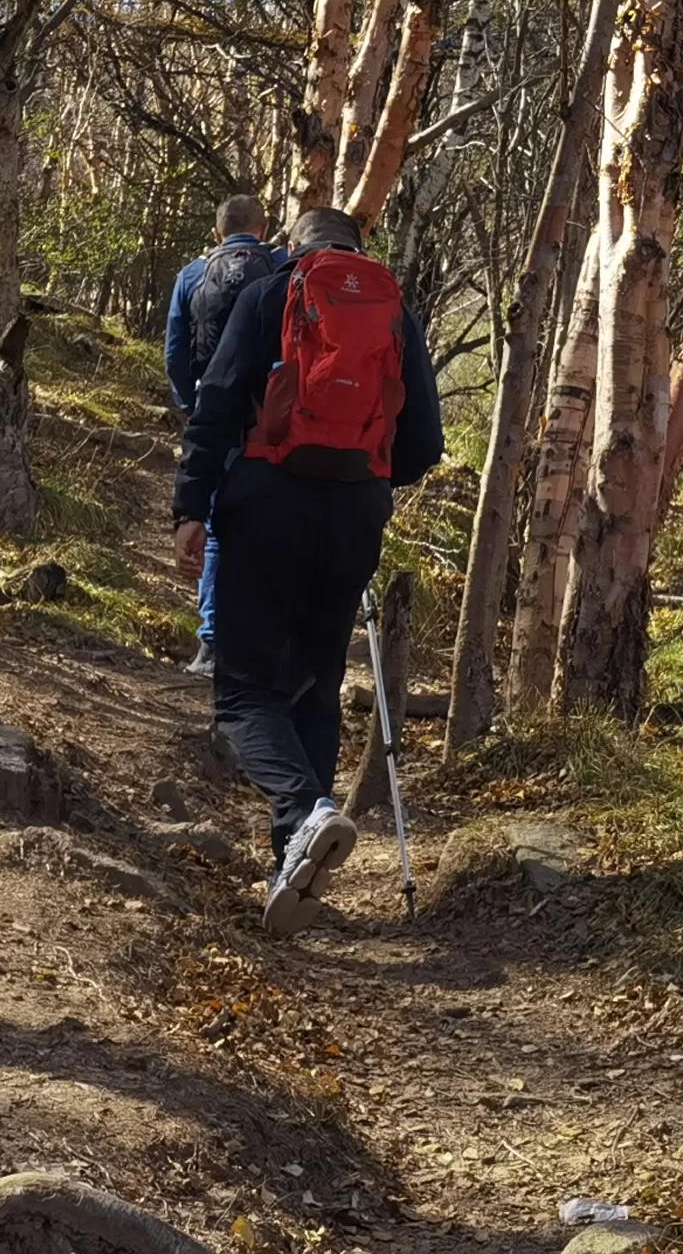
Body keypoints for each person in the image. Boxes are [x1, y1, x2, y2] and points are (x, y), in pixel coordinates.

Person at [173, 203, 441, 931]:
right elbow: (424, 440)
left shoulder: (269, 293)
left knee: (243, 694)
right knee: (316, 689)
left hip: (266, 503)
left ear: (293, 245)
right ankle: (289, 862)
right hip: (354, 512)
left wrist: (192, 505)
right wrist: (362, 475)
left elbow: (218, 400)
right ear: (359, 247)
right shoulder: (394, 311)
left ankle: (304, 813)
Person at [162, 194, 281, 670]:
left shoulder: (192, 275)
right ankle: (258, 638)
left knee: (213, 528)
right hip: (268, 420)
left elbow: (175, 351)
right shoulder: (281, 270)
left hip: (214, 418)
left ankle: (212, 644)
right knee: (269, 523)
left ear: (216, 233)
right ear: (263, 227)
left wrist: (193, 408)